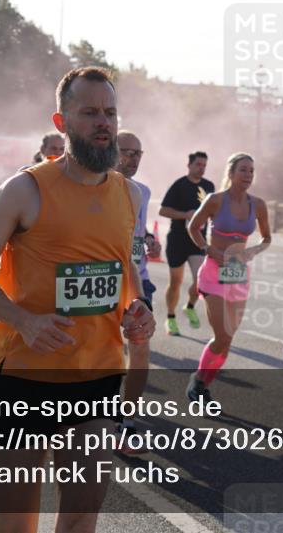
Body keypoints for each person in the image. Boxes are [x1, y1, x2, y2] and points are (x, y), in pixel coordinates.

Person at [0, 66, 154, 533]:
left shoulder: (128, 195)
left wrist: (139, 310)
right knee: (18, 523)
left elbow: (123, 271)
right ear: (62, 122)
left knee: (82, 514)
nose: (103, 122)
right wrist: (23, 320)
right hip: (24, 375)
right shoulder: (25, 189)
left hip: (97, 373)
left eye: (110, 112)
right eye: (89, 113)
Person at [186, 153, 271, 406]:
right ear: (231, 173)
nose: (248, 175)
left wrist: (251, 252)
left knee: (228, 338)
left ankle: (203, 386)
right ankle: (199, 379)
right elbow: (193, 227)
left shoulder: (259, 205)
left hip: (238, 275)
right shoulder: (215, 200)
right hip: (213, 273)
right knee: (222, 335)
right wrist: (207, 249)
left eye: (252, 171)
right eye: (243, 170)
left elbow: (266, 238)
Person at [114, 129, 162, 453]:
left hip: (138, 281)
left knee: (140, 350)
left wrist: (149, 241)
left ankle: (126, 422)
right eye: (126, 151)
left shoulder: (142, 191)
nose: (132, 159)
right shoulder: (94, 189)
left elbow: (138, 233)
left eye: (137, 153)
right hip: (103, 282)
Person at [159, 151, 214, 335]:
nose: (202, 168)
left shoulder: (209, 186)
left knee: (201, 280)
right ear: (189, 165)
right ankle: (170, 317)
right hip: (177, 240)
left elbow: (214, 212)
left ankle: (190, 306)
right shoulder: (179, 185)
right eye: (198, 164)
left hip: (197, 241)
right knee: (176, 282)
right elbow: (163, 210)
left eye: (204, 165)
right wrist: (186, 215)